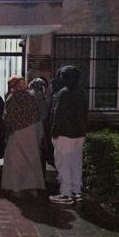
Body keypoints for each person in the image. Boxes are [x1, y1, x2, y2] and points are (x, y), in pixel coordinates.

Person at [49, 66, 88, 205]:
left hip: (65, 133)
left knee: (63, 164)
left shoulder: (63, 93)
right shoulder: (82, 92)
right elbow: (85, 113)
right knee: (76, 163)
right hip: (79, 133)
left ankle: (66, 194)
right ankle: (76, 191)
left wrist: (54, 131)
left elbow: (58, 114)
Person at [1, 76, 45, 197]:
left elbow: (8, 118)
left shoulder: (12, 98)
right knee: (31, 160)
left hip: (16, 133)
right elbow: (37, 114)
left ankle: (16, 188)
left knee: (16, 161)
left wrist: (7, 133)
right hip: (31, 132)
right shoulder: (31, 98)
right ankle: (32, 188)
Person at [29, 77, 52, 172]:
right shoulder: (42, 97)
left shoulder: (29, 95)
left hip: (30, 126)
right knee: (40, 149)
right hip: (40, 126)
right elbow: (45, 113)